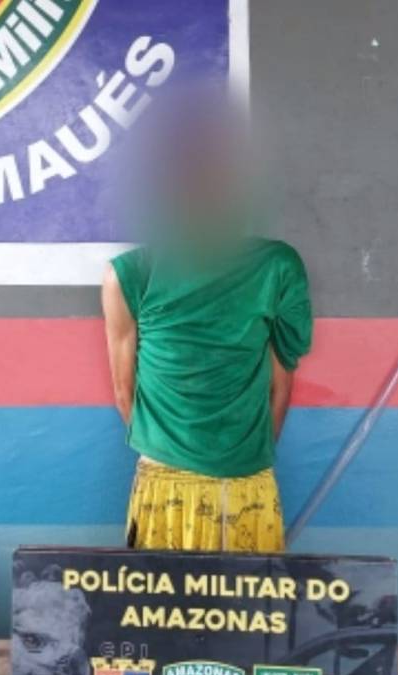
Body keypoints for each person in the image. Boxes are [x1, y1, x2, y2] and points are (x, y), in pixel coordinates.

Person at [101, 92, 312, 553]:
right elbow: (124, 393)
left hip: (211, 482)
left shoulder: (275, 266)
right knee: (231, 596)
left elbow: (279, 386)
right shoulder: (130, 275)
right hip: (198, 482)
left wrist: (222, 459)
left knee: (176, 597)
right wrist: (227, 459)